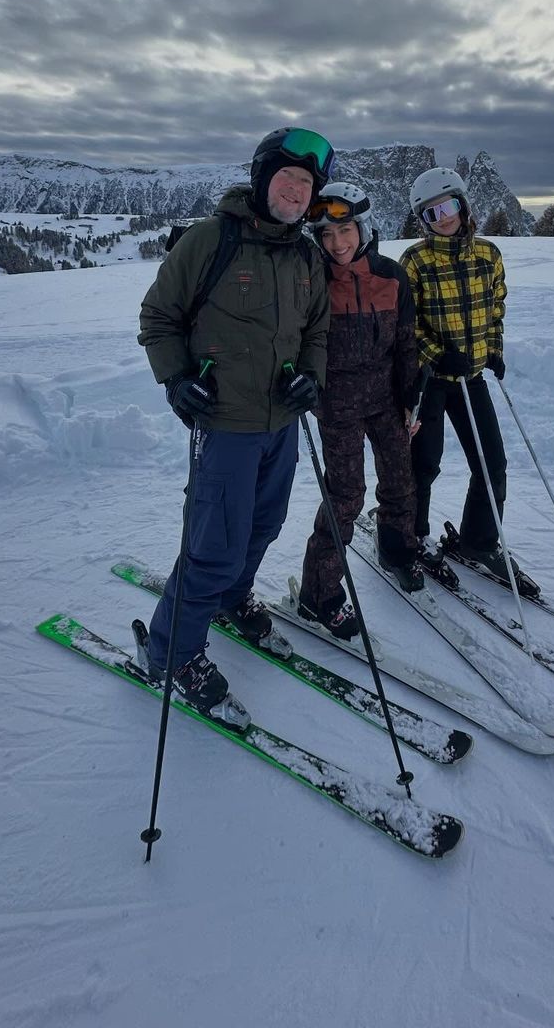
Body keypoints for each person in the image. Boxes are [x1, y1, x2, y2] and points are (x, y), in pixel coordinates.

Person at [137, 127, 334, 716]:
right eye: (288, 178)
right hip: (224, 422)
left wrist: (312, 378)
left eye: (306, 184)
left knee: (264, 524)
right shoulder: (210, 241)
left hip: (282, 423)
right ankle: (172, 652)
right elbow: (158, 316)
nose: (297, 192)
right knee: (214, 543)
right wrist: (176, 379)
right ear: (262, 179)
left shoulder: (306, 255)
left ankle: (230, 597)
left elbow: (317, 330)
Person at [296, 182, 426, 640]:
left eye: (345, 230)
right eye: (326, 235)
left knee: (400, 480)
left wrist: (412, 396)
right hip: (337, 404)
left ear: (364, 228)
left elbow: (407, 342)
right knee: (346, 494)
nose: (337, 244)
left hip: (387, 398)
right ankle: (320, 591)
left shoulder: (391, 275)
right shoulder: (312, 280)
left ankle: (396, 548)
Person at [399, 166, 509, 576]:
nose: (443, 217)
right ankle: (411, 535)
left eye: (448, 206)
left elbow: (496, 309)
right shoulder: (414, 262)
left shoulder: (488, 256)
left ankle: (479, 540)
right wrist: (435, 354)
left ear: (462, 204)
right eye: (431, 213)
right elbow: (404, 323)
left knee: (491, 463)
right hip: (429, 381)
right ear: (423, 221)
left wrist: (493, 351)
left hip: (471, 379)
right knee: (423, 465)